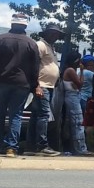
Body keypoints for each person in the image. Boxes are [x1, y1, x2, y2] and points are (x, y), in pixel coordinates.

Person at [0, 13, 40, 157]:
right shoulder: (31, 43)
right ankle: (11, 148)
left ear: (11, 24)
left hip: (1, 81)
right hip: (22, 84)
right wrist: (34, 85)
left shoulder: (0, 39)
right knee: (16, 116)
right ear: (25, 25)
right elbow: (35, 67)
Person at [27, 24, 64, 156]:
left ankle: (31, 145)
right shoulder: (41, 45)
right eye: (52, 33)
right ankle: (42, 145)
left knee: (36, 115)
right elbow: (34, 65)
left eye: (57, 34)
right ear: (46, 33)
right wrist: (36, 85)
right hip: (42, 85)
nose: (55, 36)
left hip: (49, 85)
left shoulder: (50, 47)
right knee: (43, 115)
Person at [60, 51, 89, 156]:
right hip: (72, 98)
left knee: (73, 123)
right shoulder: (71, 70)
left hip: (71, 97)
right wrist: (81, 71)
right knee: (78, 122)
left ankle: (74, 147)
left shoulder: (67, 70)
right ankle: (80, 148)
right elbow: (80, 84)